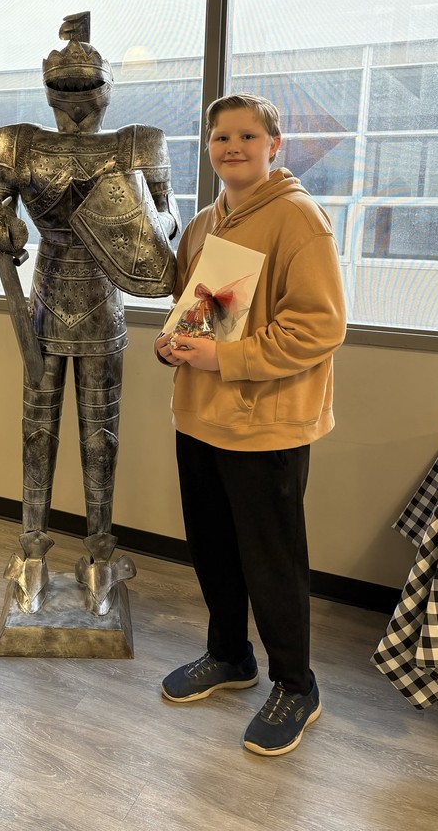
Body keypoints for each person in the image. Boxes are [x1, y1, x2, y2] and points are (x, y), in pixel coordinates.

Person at [155, 93, 346, 756]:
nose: (231, 146)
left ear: (274, 145)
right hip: (201, 419)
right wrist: (176, 339)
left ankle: (296, 685)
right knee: (212, 550)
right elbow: (203, 309)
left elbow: (321, 326)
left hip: (266, 428)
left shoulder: (298, 219)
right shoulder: (208, 222)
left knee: (272, 562)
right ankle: (229, 655)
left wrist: (223, 356)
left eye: (245, 135)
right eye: (219, 137)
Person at [0, 12, 180, 614]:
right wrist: (7, 230)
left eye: (84, 88)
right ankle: (33, 550)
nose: (75, 101)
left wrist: (140, 227)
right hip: (43, 300)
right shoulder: (17, 142)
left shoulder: (139, 143)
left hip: (103, 300)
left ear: (105, 88)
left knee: (100, 436)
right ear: (48, 91)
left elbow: (167, 229)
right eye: (64, 90)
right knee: (38, 431)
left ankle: (98, 553)